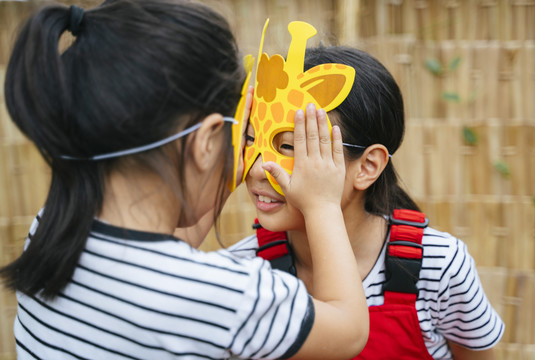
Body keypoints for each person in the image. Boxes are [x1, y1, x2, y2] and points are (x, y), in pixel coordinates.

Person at [0, 2, 369, 359]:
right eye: (241, 136)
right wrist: (321, 203)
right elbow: (348, 330)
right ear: (205, 141)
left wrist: (221, 167)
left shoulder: (51, 227)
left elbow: (163, 249)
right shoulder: (225, 295)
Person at [231, 45, 505, 360]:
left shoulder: (438, 267)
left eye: (290, 146)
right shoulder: (241, 271)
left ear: (367, 166)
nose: (258, 169)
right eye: (251, 140)